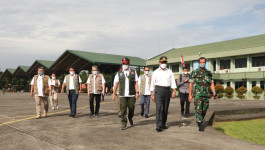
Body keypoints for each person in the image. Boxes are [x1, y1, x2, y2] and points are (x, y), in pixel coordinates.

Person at [189, 57, 216, 131]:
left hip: (206, 94)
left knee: (205, 109)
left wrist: (214, 92)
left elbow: (211, 83)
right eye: (201, 62)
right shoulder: (194, 72)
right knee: (198, 109)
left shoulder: (208, 73)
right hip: (197, 94)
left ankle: (200, 119)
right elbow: (191, 84)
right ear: (198, 63)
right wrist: (190, 95)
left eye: (204, 62)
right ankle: (199, 123)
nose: (202, 63)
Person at [150, 56, 176, 132]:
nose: (164, 63)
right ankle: (158, 125)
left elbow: (173, 82)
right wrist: (152, 94)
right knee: (159, 108)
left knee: (165, 108)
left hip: (167, 90)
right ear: (159, 63)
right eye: (162, 62)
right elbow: (152, 84)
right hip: (158, 90)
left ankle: (163, 123)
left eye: (165, 62)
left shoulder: (170, 71)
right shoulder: (155, 72)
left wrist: (174, 91)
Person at [113, 58, 139, 130]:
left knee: (131, 108)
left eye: (126, 63)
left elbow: (136, 82)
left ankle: (130, 117)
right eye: (123, 63)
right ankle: (124, 123)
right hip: (122, 94)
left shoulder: (133, 72)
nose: (125, 65)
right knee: (123, 109)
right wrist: (114, 93)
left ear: (129, 64)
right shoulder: (119, 73)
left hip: (131, 94)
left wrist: (137, 92)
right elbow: (116, 84)